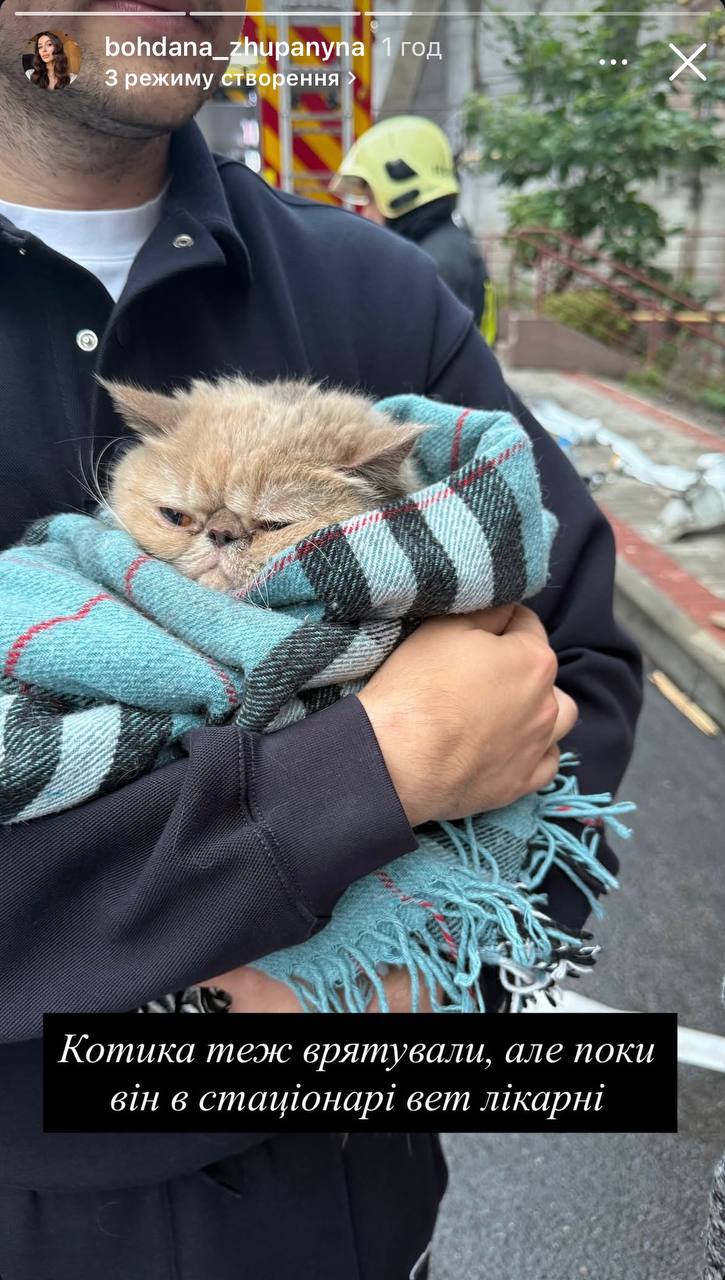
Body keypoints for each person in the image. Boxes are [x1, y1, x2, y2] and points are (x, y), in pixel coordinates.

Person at [0, 5, 642, 1277]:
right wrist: (369, 769)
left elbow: (578, 678)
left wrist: (408, 985)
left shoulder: (376, 289)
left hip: (347, 1196)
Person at [331, 115, 495, 340]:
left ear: (401, 192)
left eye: (371, 199)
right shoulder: (446, 246)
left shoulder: (434, 266)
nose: (366, 213)